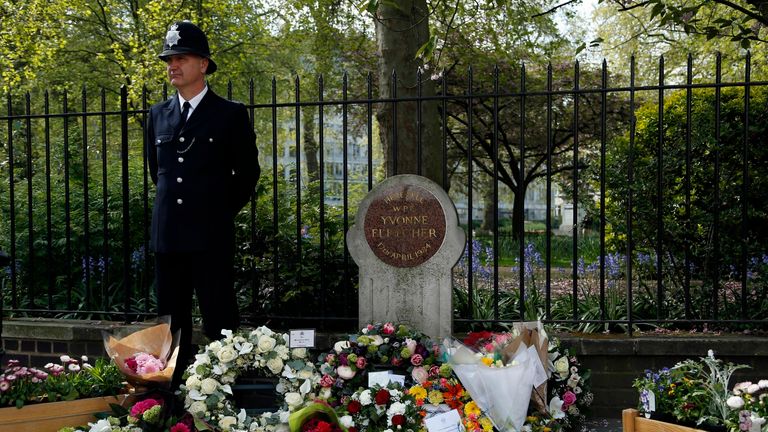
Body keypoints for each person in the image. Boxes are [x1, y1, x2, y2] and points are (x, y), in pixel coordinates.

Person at [145, 20, 260, 386]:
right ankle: (172, 397)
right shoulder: (158, 115)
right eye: (169, 59)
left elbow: (247, 175)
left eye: (181, 58)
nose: (172, 66)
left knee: (219, 320)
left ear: (204, 64)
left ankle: (224, 395)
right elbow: (156, 171)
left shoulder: (229, 114)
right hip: (169, 239)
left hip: (210, 237)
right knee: (171, 324)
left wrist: (217, 213)